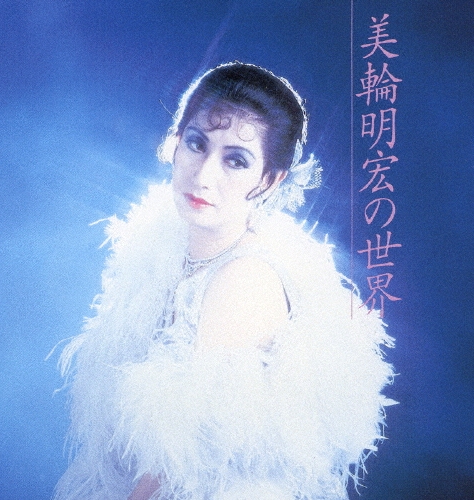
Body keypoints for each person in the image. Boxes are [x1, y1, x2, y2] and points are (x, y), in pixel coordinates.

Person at [54, 62, 394, 500]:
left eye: (236, 160)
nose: (204, 176)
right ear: (175, 143)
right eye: (197, 144)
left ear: (269, 181)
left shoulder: (245, 280)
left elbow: (176, 467)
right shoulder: (165, 245)